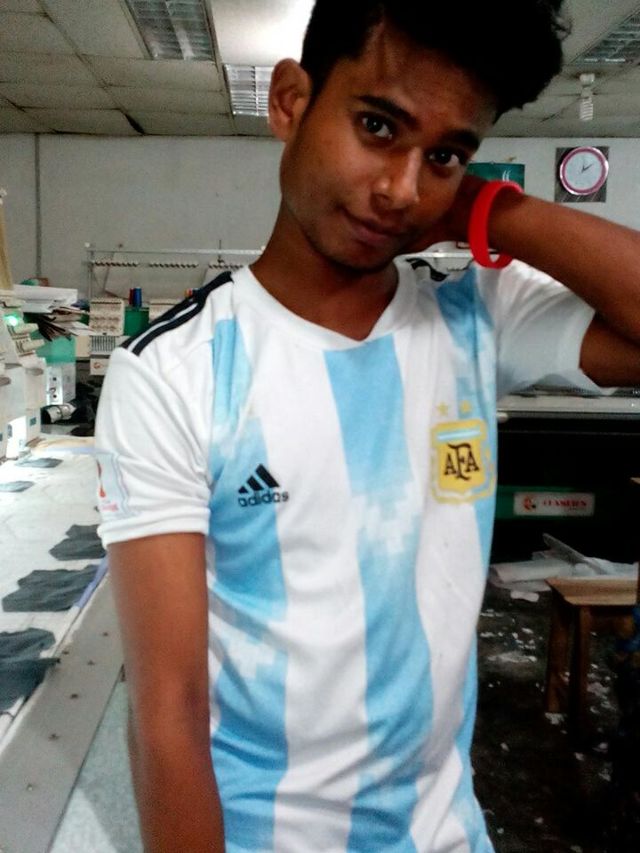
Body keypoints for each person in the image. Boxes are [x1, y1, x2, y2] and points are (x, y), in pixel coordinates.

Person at [95, 1, 640, 850]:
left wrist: (488, 210)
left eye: (444, 155)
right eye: (378, 127)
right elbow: (169, 714)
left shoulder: (474, 320)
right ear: (290, 101)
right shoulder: (177, 370)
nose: (401, 190)